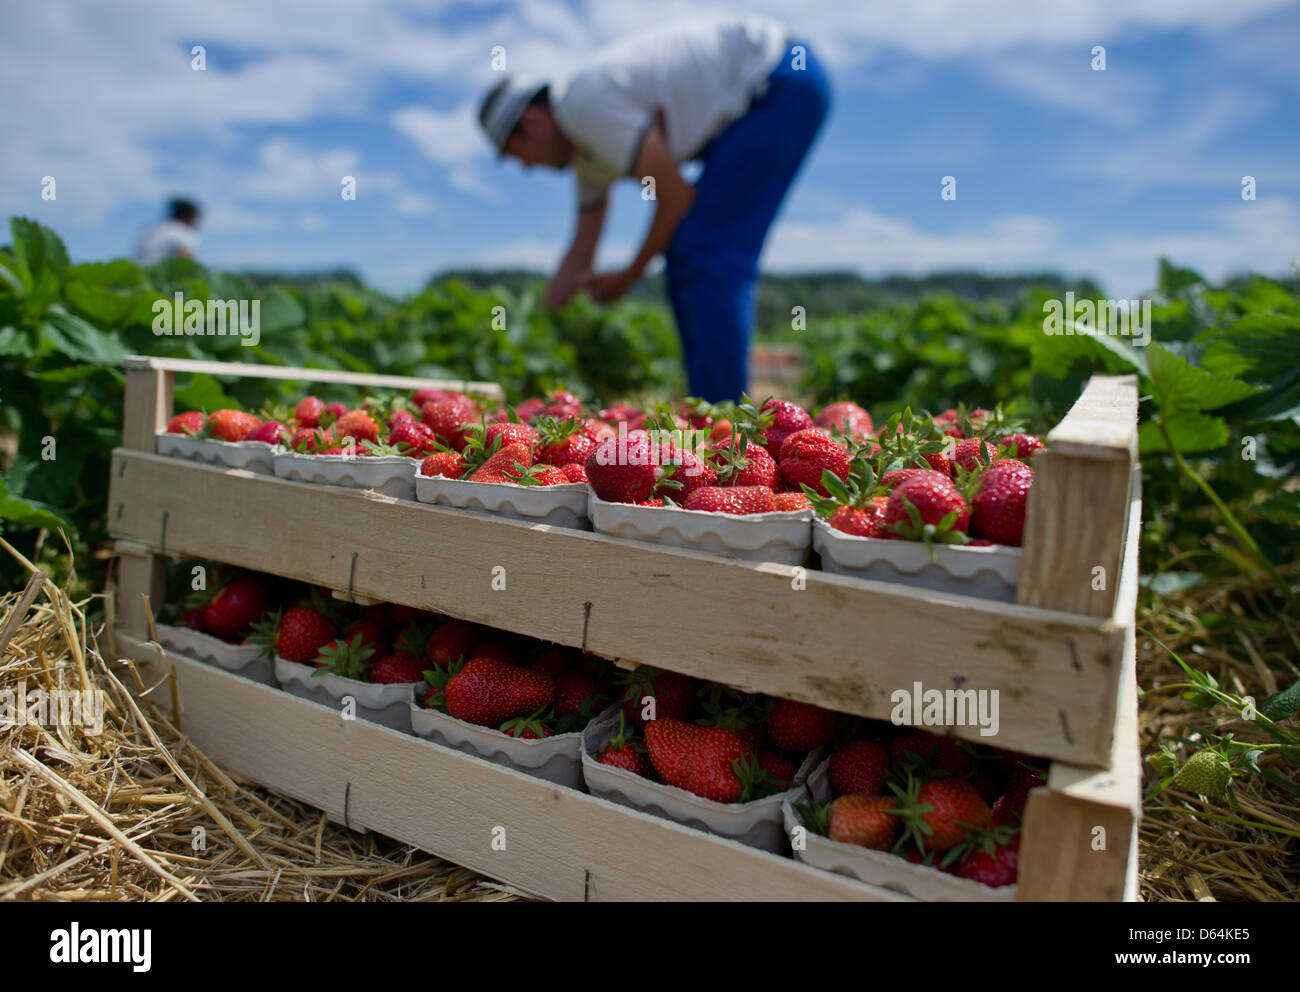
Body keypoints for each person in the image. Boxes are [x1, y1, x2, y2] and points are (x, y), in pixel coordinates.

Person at [478, 15, 829, 402]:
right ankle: (712, 411)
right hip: (767, 92)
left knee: (706, 249)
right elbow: (580, 254)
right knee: (690, 249)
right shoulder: (587, 159)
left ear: (531, 120)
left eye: (517, 155)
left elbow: (675, 196)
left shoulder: (583, 106)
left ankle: (725, 423)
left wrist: (628, 276)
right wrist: (527, 333)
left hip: (781, 80)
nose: (527, 168)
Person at [136, 199, 201, 266]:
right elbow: (186, 261)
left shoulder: (152, 228)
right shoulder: (184, 232)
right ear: (189, 217)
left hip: (139, 271)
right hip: (160, 274)